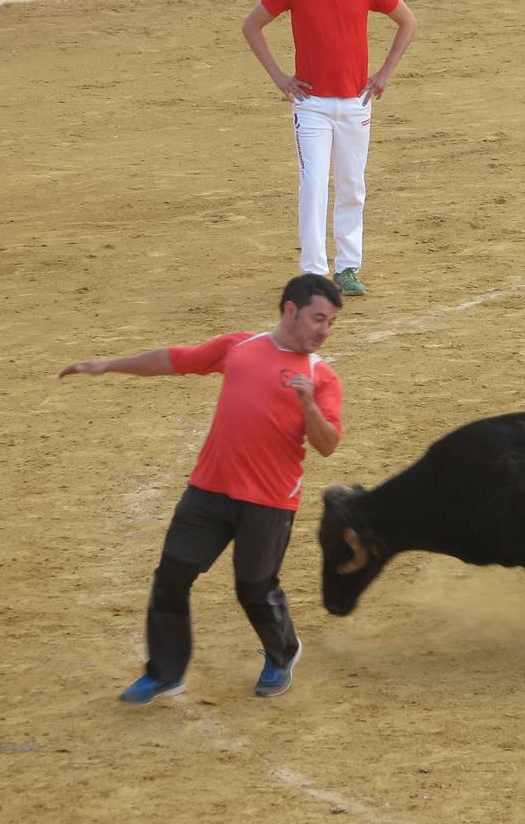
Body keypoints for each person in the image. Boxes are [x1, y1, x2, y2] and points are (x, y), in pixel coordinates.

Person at [58, 274, 344, 703]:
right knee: (172, 577)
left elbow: (328, 445)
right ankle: (164, 672)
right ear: (290, 310)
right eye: (318, 319)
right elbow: (177, 359)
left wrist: (307, 405)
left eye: (331, 323)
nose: (324, 331)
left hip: (270, 499)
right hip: (210, 489)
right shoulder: (239, 347)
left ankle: (283, 651)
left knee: (254, 589)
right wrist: (109, 364)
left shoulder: (322, 378)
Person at [243, 0, 417, 297]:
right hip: (312, 106)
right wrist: (280, 79)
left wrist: (385, 74)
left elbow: (407, 21)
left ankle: (347, 268)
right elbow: (251, 25)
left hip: (356, 102)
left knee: (352, 184)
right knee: (314, 183)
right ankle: (314, 274)